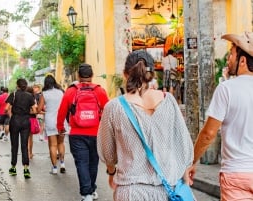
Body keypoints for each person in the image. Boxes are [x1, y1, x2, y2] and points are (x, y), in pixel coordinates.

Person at [97, 50, 194, 201]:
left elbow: (108, 153)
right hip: (168, 189)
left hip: (131, 192)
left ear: (125, 74)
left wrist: (111, 173)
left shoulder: (114, 107)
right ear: (152, 74)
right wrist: (184, 172)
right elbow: (183, 145)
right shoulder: (168, 100)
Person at [188, 32, 253, 200]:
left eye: (231, 55)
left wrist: (191, 162)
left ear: (243, 61)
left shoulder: (227, 89)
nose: (228, 59)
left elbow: (209, 134)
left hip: (236, 174)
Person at [57, 64, 109, 201]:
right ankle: (91, 190)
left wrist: (60, 127)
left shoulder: (71, 91)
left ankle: (86, 194)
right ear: (91, 76)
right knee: (93, 162)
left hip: (77, 134)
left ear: (78, 77)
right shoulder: (99, 91)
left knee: (81, 163)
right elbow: (109, 111)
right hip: (96, 133)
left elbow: (62, 111)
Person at [5, 78, 37, 179]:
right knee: (24, 145)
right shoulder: (29, 96)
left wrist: (12, 115)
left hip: (15, 120)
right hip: (25, 121)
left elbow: (6, 108)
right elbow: (34, 110)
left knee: (14, 145)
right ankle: (26, 169)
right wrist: (27, 113)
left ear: (17, 85)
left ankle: (13, 168)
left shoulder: (13, 94)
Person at [37, 74, 65, 174]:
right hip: (61, 120)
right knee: (61, 143)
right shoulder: (61, 92)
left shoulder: (44, 94)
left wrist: (45, 111)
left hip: (50, 121)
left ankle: (54, 168)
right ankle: (62, 163)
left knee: (53, 145)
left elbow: (39, 109)